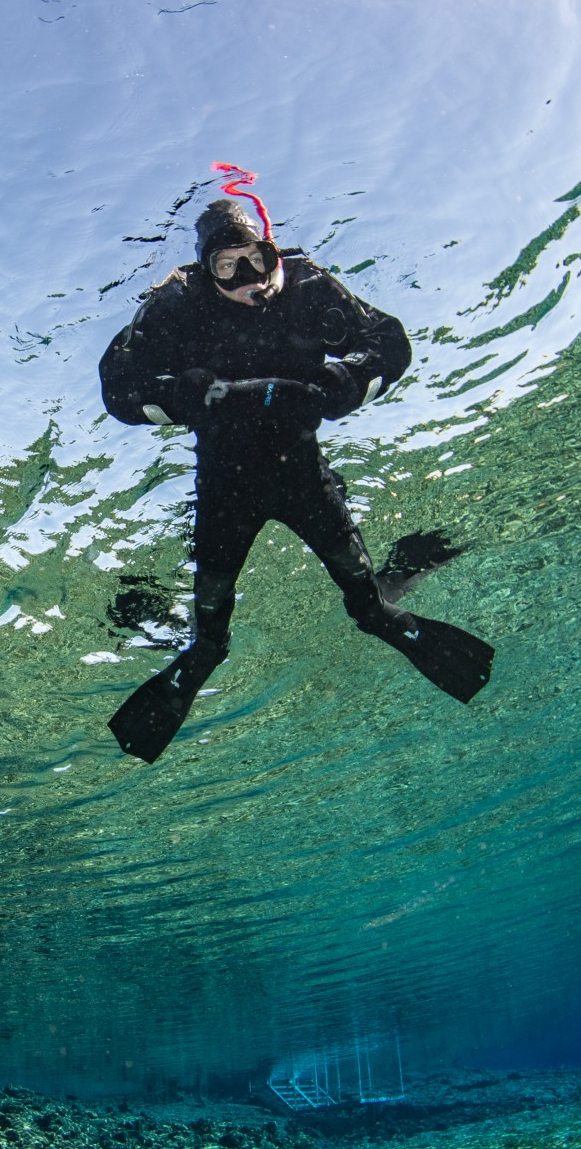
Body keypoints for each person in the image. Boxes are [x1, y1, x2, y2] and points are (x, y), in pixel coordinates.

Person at [98, 182, 494, 762]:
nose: (246, 281)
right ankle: (201, 654)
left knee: (368, 607)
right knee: (210, 635)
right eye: (225, 269)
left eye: (254, 261)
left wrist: (351, 381)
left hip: (303, 471)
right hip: (224, 486)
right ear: (205, 271)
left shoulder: (309, 288)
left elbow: (390, 342)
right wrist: (174, 397)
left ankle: (387, 599)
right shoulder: (175, 307)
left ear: (272, 252)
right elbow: (117, 389)